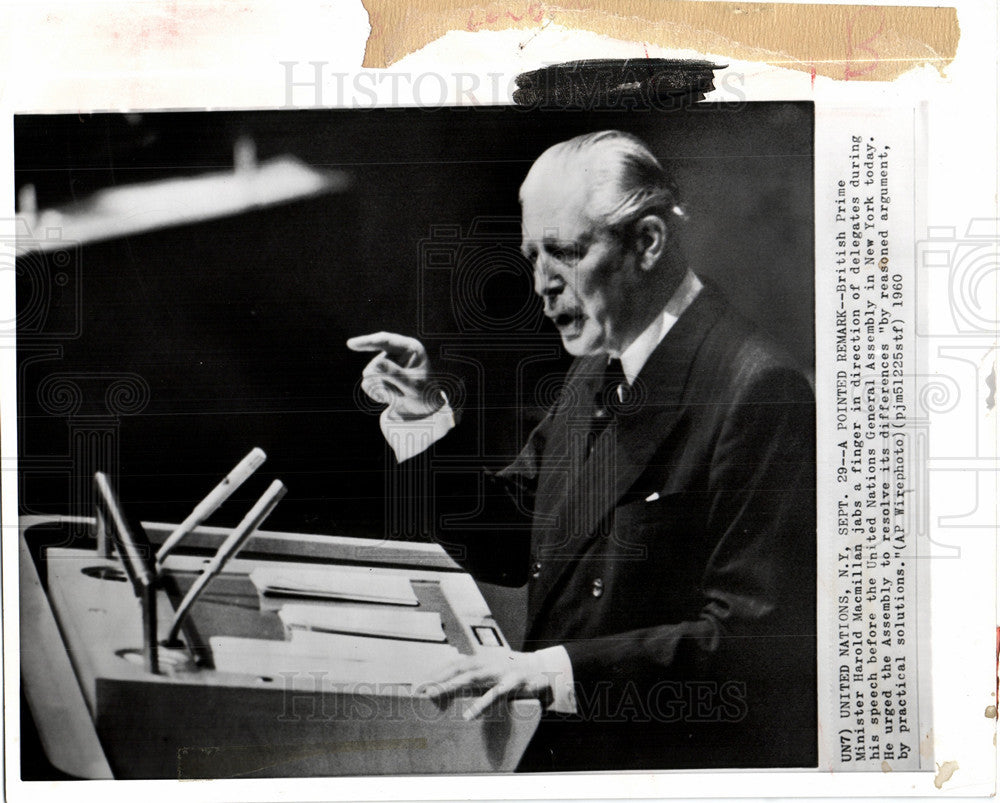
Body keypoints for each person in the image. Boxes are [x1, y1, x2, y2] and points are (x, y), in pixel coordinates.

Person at [348, 130, 816, 771]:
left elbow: (755, 644)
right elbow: (518, 535)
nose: (541, 284)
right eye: (532, 255)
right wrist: (420, 414)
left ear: (647, 243)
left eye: (565, 252)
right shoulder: (602, 362)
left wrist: (554, 670)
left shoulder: (758, 389)